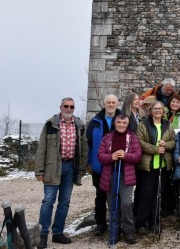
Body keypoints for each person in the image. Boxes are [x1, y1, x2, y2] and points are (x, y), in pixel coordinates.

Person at [35, 98, 88, 248]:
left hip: (71, 167)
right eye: (66, 106)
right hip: (53, 167)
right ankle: (42, 235)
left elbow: (84, 148)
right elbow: (41, 149)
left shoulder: (79, 125)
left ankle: (58, 233)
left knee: (64, 202)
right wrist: (39, 170)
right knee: (48, 201)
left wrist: (82, 168)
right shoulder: (50, 124)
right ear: (61, 107)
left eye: (71, 106)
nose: (68, 108)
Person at [98, 113, 142, 245]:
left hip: (126, 176)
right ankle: (114, 231)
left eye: (124, 123)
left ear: (127, 124)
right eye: (119, 122)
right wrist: (111, 157)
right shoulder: (107, 138)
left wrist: (126, 155)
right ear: (115, 123)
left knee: (126, 203)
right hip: (110, 175)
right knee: (113, 205)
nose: (121, 125)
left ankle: (128, 231)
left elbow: (138, 155)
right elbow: (100, 155)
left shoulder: (132, 138)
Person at [135, 101, 176, 234]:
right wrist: (155, 149)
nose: (158, 111)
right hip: (148, 166)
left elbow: (174, 142)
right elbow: (139, 141)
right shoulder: (143, 124)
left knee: (158, 195)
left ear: (163, 111)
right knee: (145, 194)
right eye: (155, 108)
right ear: (150, 110)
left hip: (163, 166)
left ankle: (154, 222)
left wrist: (166, 144)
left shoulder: (167, 125)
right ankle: (141, 223)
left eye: (160, 109)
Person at [86, 94, 119, 236]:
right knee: (100, 196)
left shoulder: (123, 119)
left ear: (117, 104)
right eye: (108, 102)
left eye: (113, 102)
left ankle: (117, 223)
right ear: (104, 104)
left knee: (117, 195)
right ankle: (100, 224)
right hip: (99, 164)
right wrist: (88, 162)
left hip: (118, 164)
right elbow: (88, 142)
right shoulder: (95, 121)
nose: (111, 105)